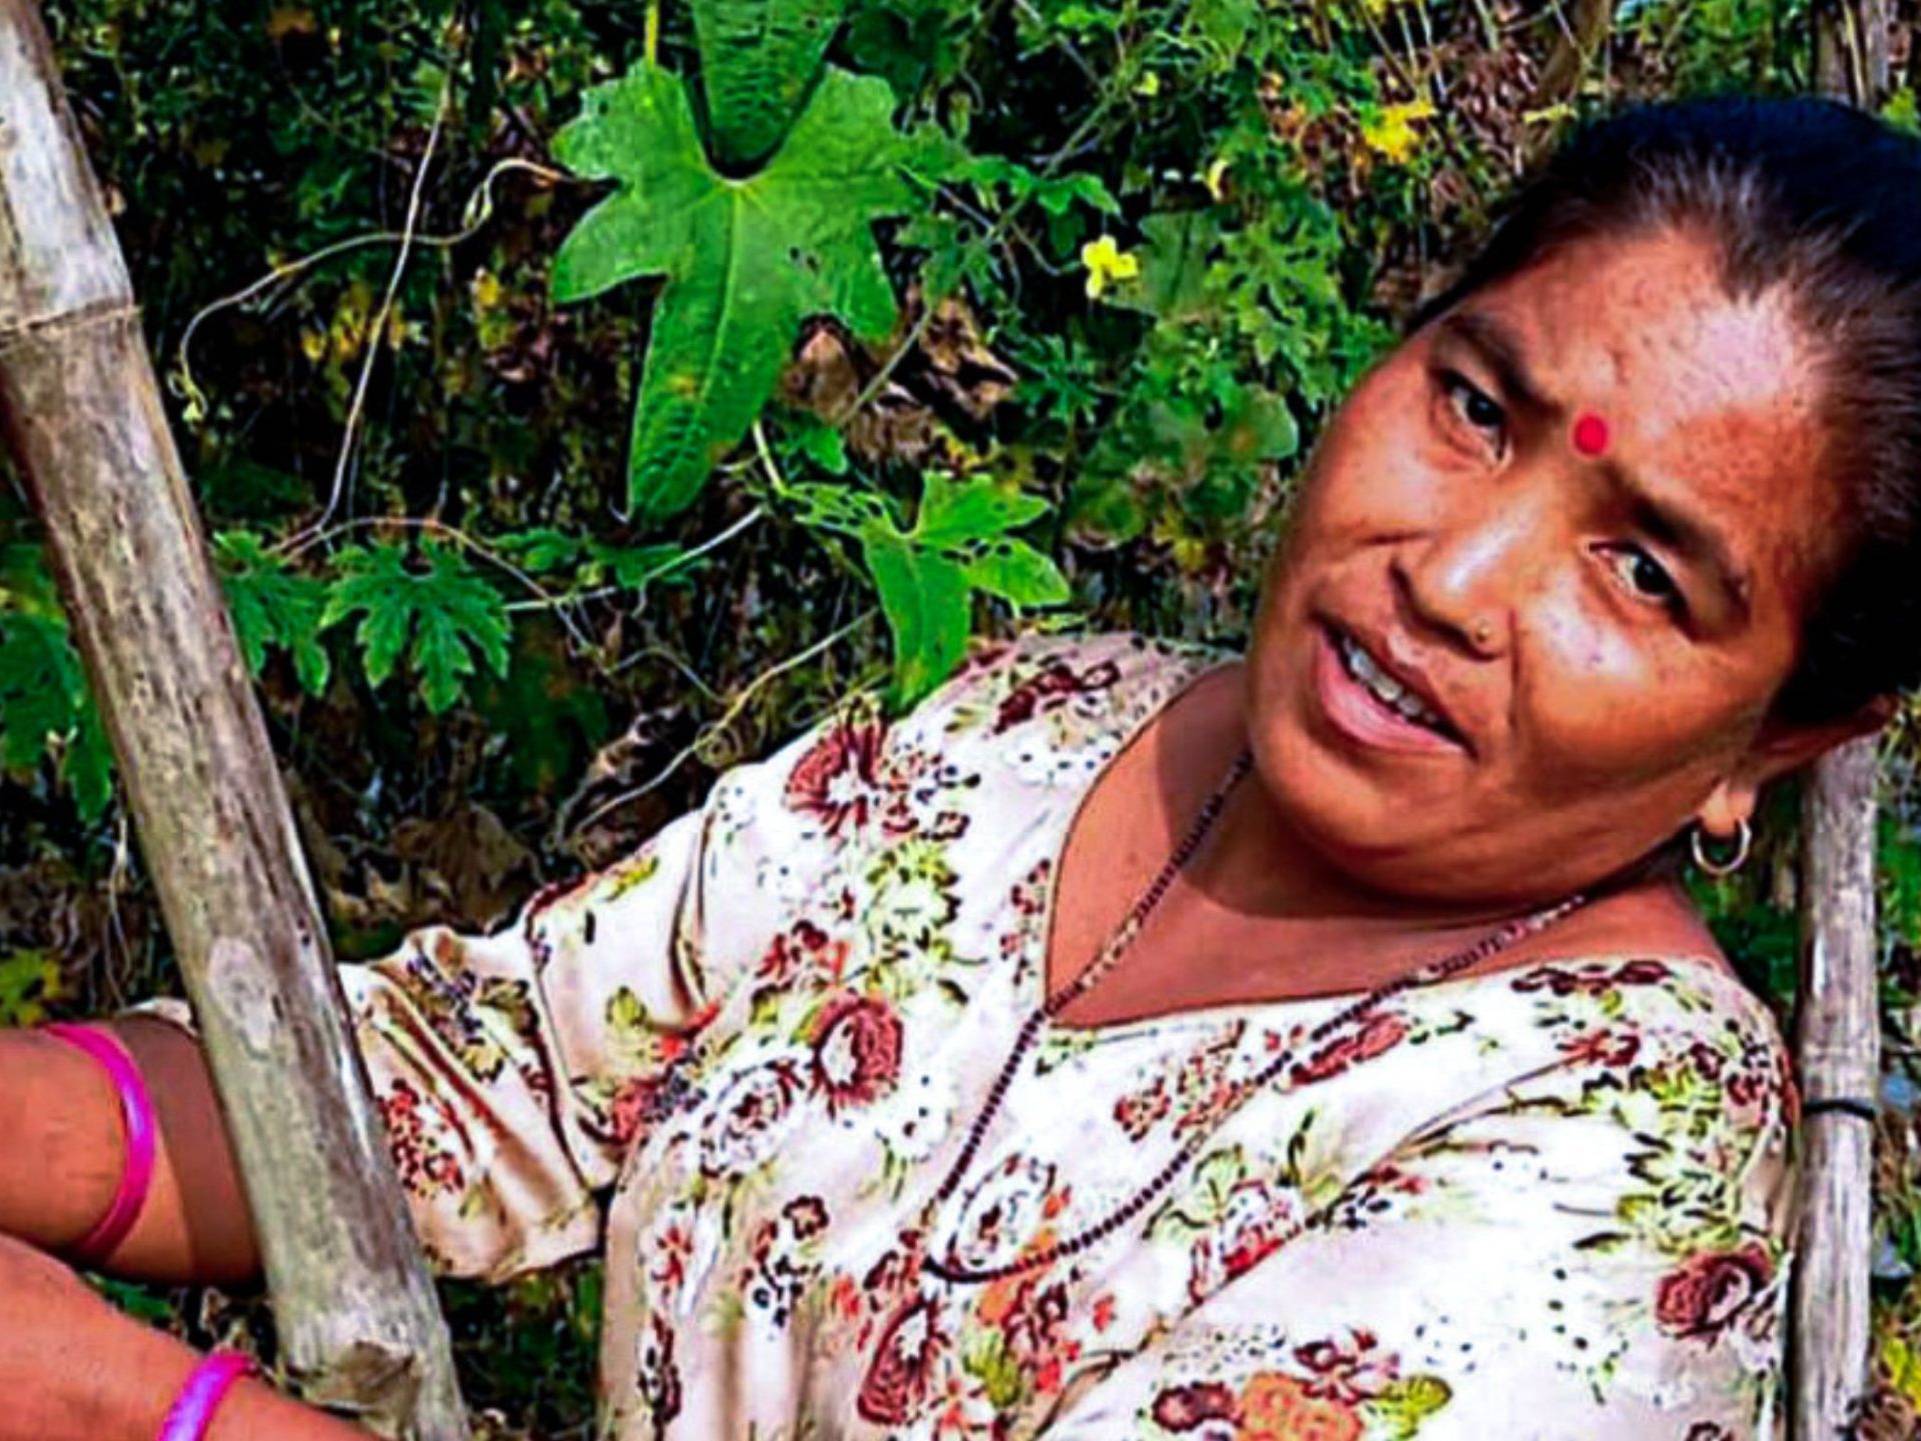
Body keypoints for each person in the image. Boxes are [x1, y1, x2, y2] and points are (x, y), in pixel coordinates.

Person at [2, 92, 1915, 1440]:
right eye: (1472, 405)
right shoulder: (1040, 732)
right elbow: (492, 1074)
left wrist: (139, 1409)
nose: (1454, 575)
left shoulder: (1618, 1175)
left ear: (1785, 734)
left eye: (1643, 570)